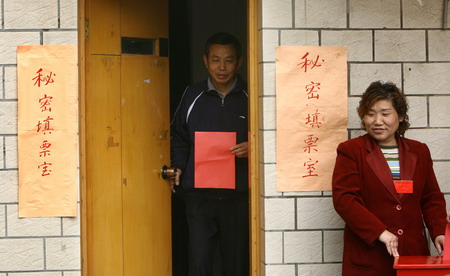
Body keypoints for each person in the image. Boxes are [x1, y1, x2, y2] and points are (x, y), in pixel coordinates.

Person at [332, 81, 447, 275]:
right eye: (370, 114)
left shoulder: (419, 151)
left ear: (400, 116)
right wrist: (380, 232)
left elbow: (431, 197)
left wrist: (439, 231)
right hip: (370, 257)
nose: (377, 121)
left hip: (412, 255)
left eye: (385, 114)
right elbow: (345, 200)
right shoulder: (351, 150)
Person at [170, 32, 249, 276]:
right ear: (205, 61)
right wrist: (178, 165)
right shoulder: (193, 95)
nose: (222, 67)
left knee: (236, 264)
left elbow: (272, 134)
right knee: (200, 261)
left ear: (240, 62)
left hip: (239, 196)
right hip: (199, 196)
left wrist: (255, 147)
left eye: (228, 60)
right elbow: (179, 136)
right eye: (216, 60)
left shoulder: (252, 94)